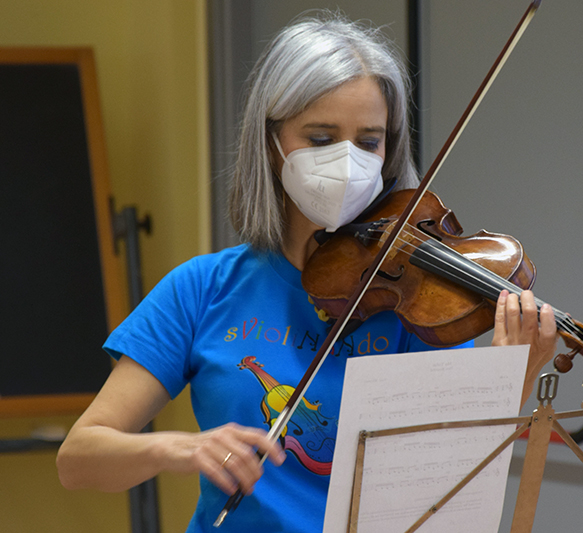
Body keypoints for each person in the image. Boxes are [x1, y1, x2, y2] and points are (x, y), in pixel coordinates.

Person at [56, 12, 557, 532]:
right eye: (320, 138)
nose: (347, 162)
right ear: (271, 145)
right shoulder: (202, 289)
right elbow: (79, 458)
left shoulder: (421, 301)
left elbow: (442, 479)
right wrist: (181, 448)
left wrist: (510, 377)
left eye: (369, 141)